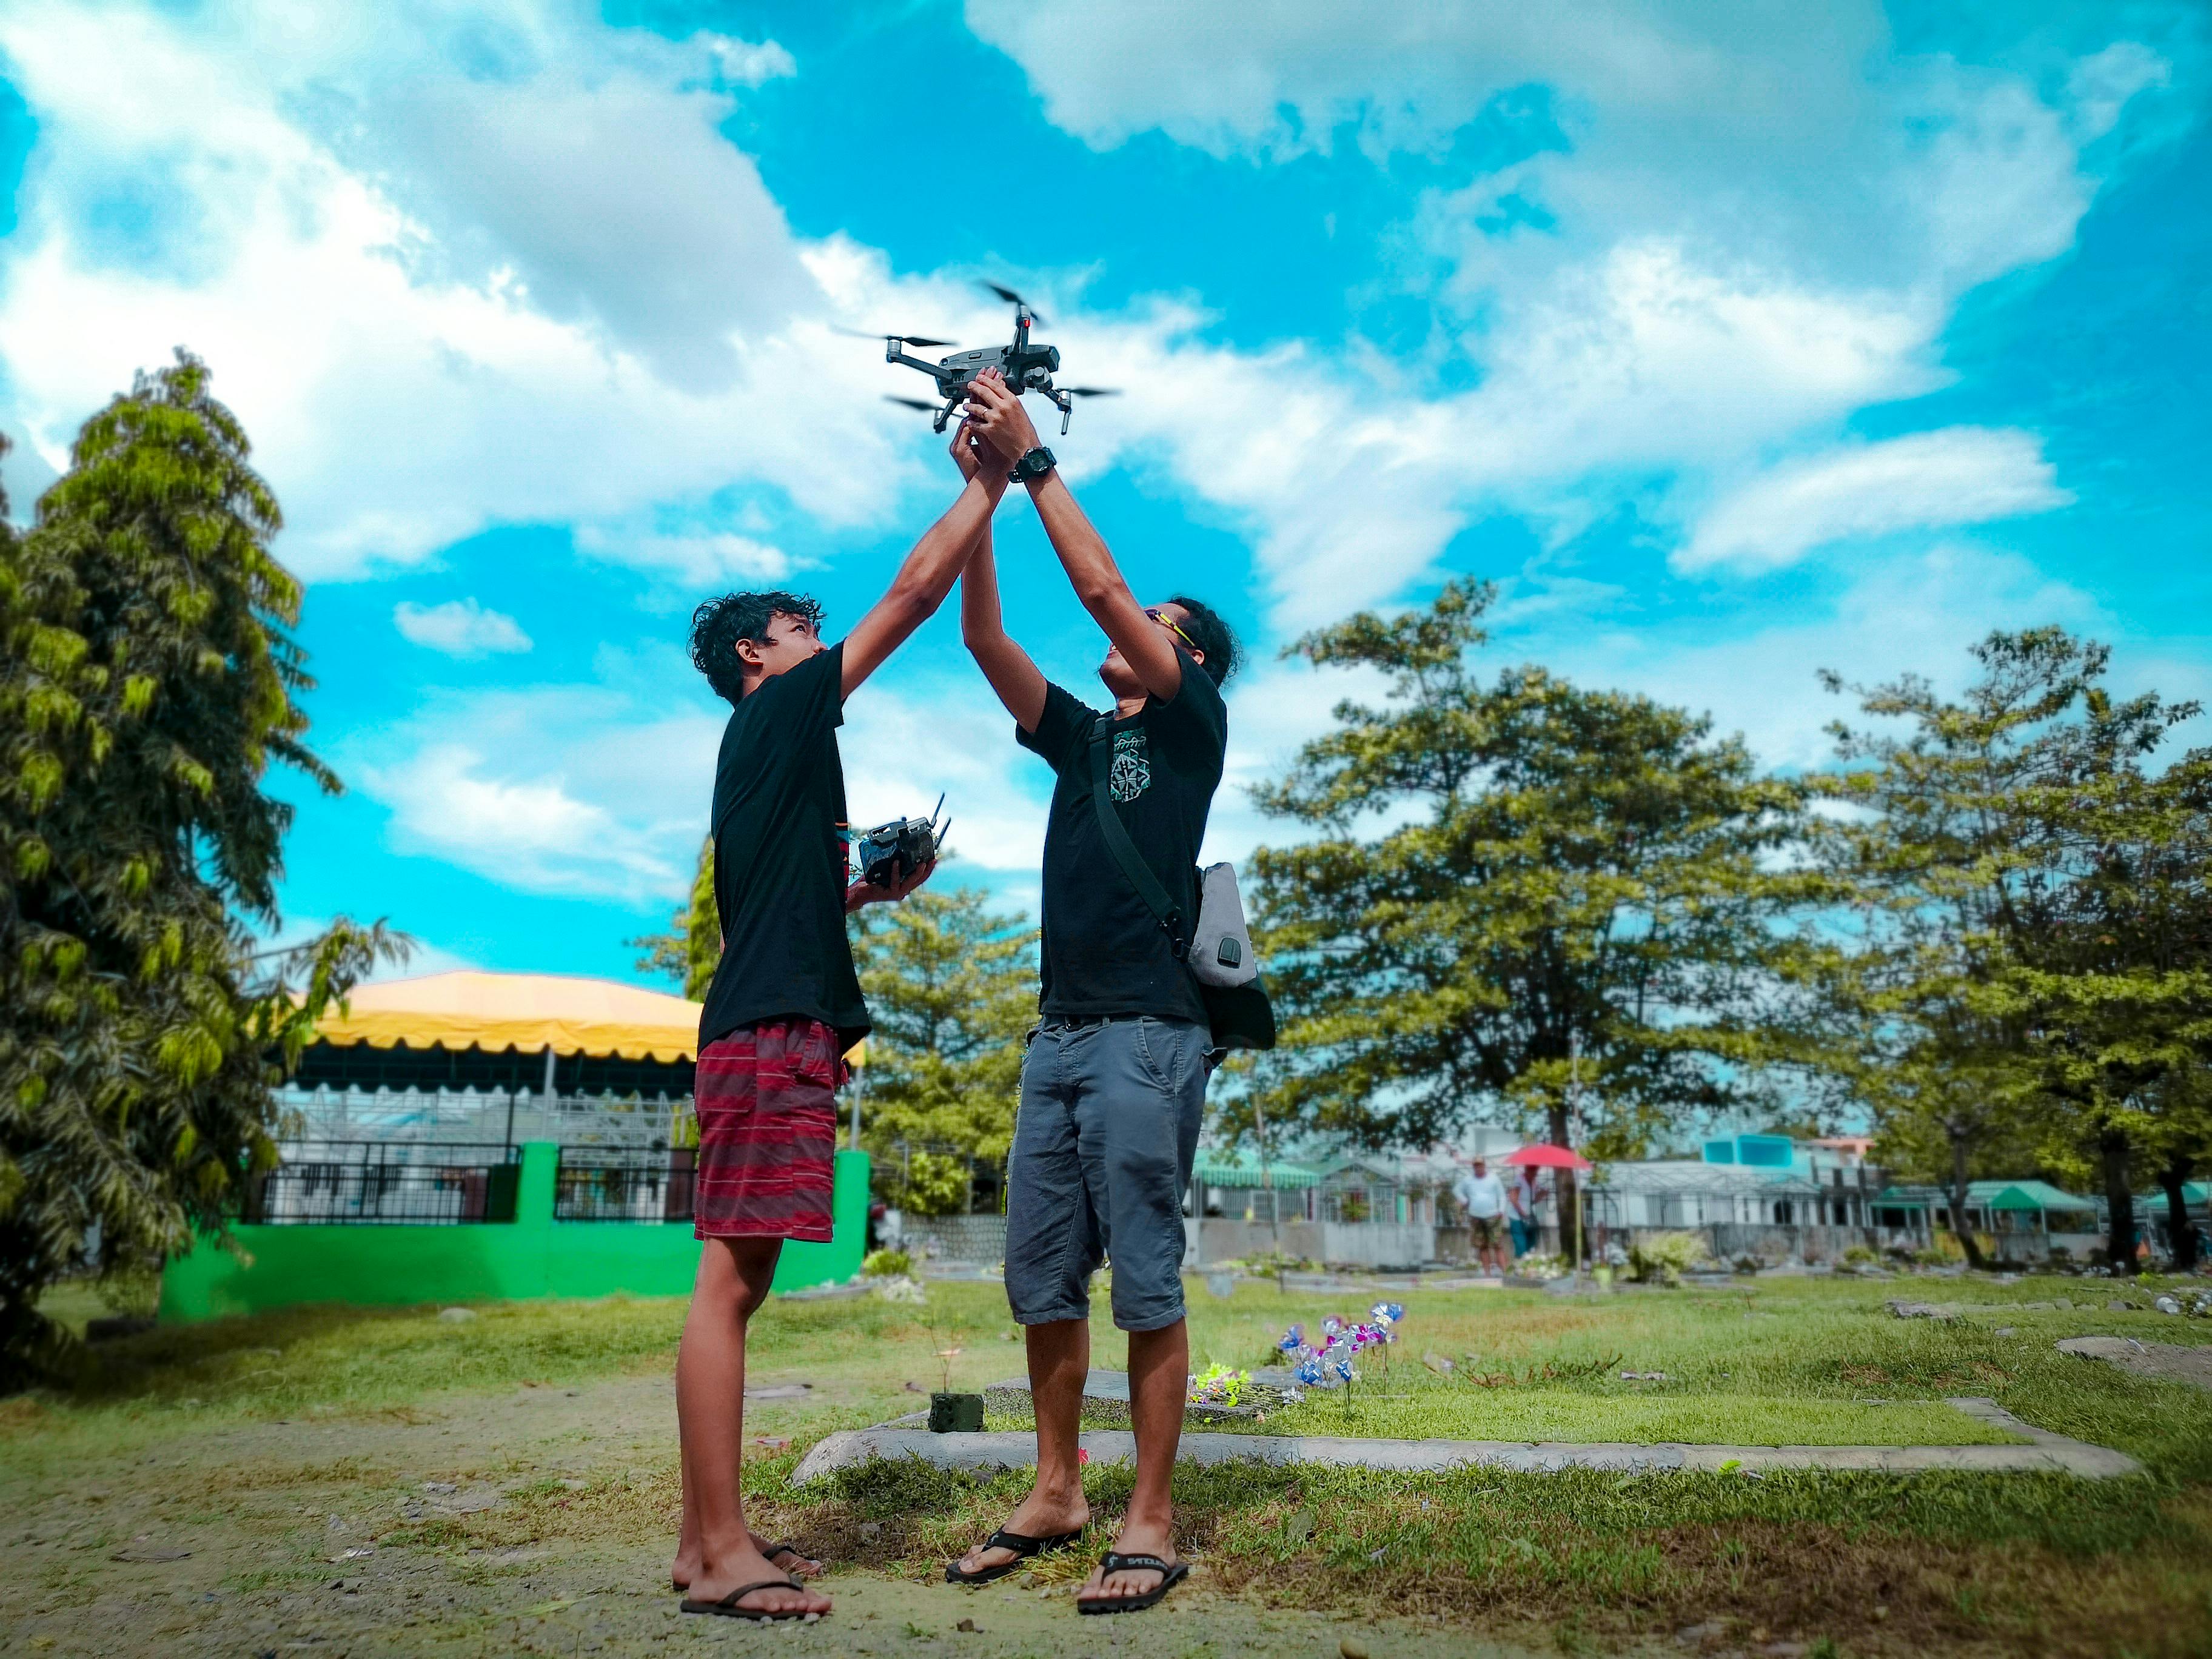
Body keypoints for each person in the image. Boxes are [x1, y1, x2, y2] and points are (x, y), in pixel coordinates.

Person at [670, 462, 999, 1623]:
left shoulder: (775, 755)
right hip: (768, 1035)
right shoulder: (780, 709)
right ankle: (717, 1552)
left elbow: (787, 902)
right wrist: (994, 477)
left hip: (763, 1022)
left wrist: (870, 892)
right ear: (755, 657)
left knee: (737, 1281)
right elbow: (911, 594)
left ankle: (702, 1536)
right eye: (799, 626)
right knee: (730, 1284)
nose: (818, 635)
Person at [946, 367, 1241, 1615]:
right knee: (1043, 1275)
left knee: (1149, 1278)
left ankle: (1154, 1515)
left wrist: (1036, 464)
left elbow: (1107, 592)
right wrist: (980, 504)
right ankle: (1057, 1489)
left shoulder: (1191, 727)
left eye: (1159, 627)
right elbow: (983, 641)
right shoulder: (1082, 735)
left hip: (1148, 1038)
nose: (1130, 633)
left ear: (1186, 658)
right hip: (1058, 1039)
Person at [1453, 1156, 1509, 1275]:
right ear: (1473, 1167)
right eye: (1476, 1166)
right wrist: (1465, 1201)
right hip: (1476, 1217)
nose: (1478, 1167)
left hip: (1493, 1216)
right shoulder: (1468, 1180)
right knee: (1482, 1246)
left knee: (1498, 1245)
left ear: (1484, 1166)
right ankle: (1487, 1274)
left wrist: (1501, 1210)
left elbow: (1502, 1196)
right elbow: (1456, 1190)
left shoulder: (1494, 1179)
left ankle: (1506, 1273)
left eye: (1480, 1165)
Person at [1507, 1163, 1550, 1260]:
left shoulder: (1534, 1182)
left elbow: (1533, 1200)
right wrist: (1522, 1212)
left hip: (1529, 1216)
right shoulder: (1519, 1180)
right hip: (1517, 1217)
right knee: (1521, 1244)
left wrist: (1543, 1194)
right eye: (1533, 1171)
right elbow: (1513, 1198)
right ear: (1527, 1170)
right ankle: (1520, 1263)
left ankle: (1528, 1264)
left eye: (1536, 1172)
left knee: (1532, 1242)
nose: (1535, 1174)